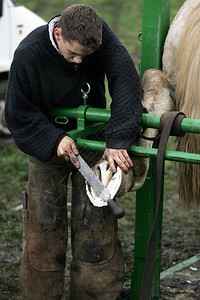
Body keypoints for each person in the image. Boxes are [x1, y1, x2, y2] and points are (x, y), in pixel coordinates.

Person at [5, 4, 142, 300]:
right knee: (43, 231)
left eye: (86, 56)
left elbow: (126, 81)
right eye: (73, 54)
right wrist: (53, 138)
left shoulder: (99, 36)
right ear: (58, 34)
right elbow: (18, 112)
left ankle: (96, 295)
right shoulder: (29, 53)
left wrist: (118, 139)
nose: (79, 61)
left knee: (96, 228)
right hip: (47, 145)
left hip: (94, 141)